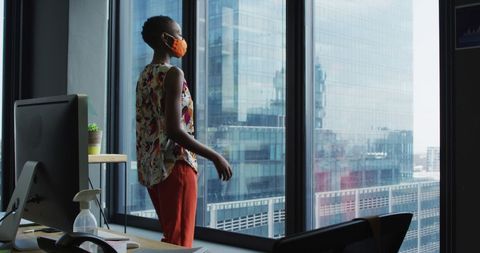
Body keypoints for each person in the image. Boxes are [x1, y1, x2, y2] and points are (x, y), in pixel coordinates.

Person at [135, 16, 233, 248]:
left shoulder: (145, 75)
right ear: (165, 39)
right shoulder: (173, 74)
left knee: (171, 238)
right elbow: (174, 130)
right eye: (177, 35)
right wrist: (215, 156)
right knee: (179, 243)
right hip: (175, 166)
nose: (181, 40)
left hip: (153, 169)